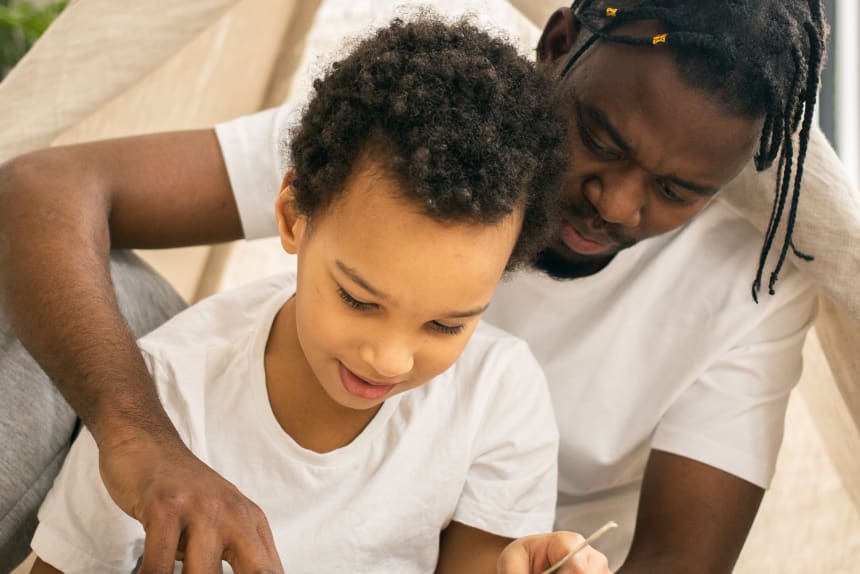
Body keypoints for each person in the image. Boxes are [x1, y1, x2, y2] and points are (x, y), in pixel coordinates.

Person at [0, 0, 828, 572]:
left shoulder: (745, 288)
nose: (615, 201)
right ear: (558, 43)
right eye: (598, 137)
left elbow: (682, 559)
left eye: (678, 191)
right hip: (228, 469)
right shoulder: (425, 126)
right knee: (49, 287)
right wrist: (138, 432)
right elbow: (42, 193)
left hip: (487, 554)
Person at [25, 16, 610, 574]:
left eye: (445, 326)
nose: (390, 358)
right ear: (292, 217)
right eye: (358, 300)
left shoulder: (499, 396)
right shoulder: (170, 393)